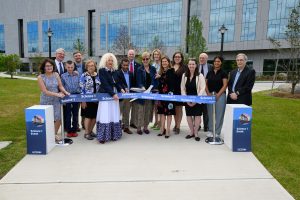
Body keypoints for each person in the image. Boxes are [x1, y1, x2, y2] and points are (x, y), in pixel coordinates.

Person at [37, 58, 70, 143]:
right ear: (44, 67)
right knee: (47, 118)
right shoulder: (40, 77)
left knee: (58, 118)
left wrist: (65, 92)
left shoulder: (56, 74)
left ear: (53, 66)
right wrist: (58, 94)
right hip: (45, 100)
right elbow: (45, 91)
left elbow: (60, 86)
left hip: (56, 100)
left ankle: (53, 134)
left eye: (50, 65)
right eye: (47, 66)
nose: (49, 67)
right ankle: (48, 134)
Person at [96, 53, 124, 144]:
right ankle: (103, 136)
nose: (110, 62)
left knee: (114, 114)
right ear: (105, 61)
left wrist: (122, 89)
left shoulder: (115, 71)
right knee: (105, 114)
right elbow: (105, 84)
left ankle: (114, 134)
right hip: (105, 96)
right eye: (109, 60)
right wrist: (112, 94)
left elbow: (117, 83)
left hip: (114, 97)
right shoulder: (102, 71)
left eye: (112, 60)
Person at [181, 58, 206, 142]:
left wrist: (196, 100)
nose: (191, 66)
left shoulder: (200, 75)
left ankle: (196, 133)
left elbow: (203, 88)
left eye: (193, 64)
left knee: (197, 116)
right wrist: (186, 99)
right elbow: (182, 88)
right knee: (189, 116)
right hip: (187, 99)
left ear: (196, 65)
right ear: (187, 65)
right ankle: (191, 132)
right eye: (190, 64)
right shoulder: (184, 75)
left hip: (197, 99)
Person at [135, 51, 158, 135]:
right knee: (141, 110)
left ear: (149, 59)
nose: (145, 60)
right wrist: (142, 88)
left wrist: (152, 87)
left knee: (148, 110)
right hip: (142, 92)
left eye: (147, 59)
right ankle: (138, 128)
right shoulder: (139, 69)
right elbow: (138, 81)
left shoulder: (153, 69)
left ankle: (145, 127)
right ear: (142, 60)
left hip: (150, 93)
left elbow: (155, 80)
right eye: (143, 59)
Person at [206, 56, 228, 138]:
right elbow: (205, 83)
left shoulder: (223, 72)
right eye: (215, 61)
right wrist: (208, 93)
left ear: (221, 62)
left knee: (219, 114)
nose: (216, 63)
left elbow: (225, 85)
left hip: (220, 95)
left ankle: (217, 131)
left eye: (218, 61)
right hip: (210, 95)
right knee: (210, 113)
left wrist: (218, 95)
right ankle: (211, 130)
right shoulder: (209, 72)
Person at [79, 59, 100, 140]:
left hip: (96, 100)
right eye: (89, 66)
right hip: (87, 99)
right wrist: (83, 100)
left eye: (92, 65)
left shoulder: (97, 75)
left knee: (94, 117)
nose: (91, 67)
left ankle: (91, 131)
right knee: (88, 116)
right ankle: (86, 133)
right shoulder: (83, 76)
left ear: (95, 67)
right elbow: (81, 89)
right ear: (86, 67)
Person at [156, 56, 176, 139]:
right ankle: (162, 129)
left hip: (169, 95)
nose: (164, 63)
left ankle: (168, 130)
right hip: (161, 95)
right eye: (163, 61)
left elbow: (169, 81)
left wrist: (160, 77)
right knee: (162, 113)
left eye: (165, 61)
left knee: (169, 113)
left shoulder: (171, 71)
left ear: (168, 62)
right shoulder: (161, 72)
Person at [61, 60, 81, 138]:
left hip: (76, 96)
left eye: (71, 67)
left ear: (74, 67)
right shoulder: (63, 76)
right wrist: (65, 93)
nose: (70, 68)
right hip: (67, 96)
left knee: (75, 113)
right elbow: (61, 86)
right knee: (68, 114)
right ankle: (69, 130)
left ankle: (74, 129)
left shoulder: (77, 75)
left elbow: (80, 85)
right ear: (65, 67)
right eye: (68, 67)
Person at [117, 58, 134, 134]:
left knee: (127, 112)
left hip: (128, 96)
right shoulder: (117, 73)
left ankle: (126, 127)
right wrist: (122, 88)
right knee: (118, 112)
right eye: (124, 65)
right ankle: (117, 128)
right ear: (121, 65)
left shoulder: (131, 73)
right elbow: (117, 83)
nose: (125, 66)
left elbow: (132, 84)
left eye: (127, 65)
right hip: (120, 96)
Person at [172, 52, 186, 134]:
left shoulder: (185, 67)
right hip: (172, 92)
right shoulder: (171, 66)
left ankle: (178, 126)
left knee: (179, 109)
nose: (177, 58)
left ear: (181, 58)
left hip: (180, 91)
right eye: (175, 56)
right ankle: (176, 124)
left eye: (179, 57)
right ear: (173, 58)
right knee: (173, 109)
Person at [198, 53, 213, 132]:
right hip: (198, 92)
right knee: (197, 110)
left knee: (206, 110)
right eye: (200, 58)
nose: (201, 59)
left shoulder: (211, 67)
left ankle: (206, 126)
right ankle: (198, 125)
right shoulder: (196, 66)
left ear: (207, 59)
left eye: (203, 58)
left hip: (207, 92)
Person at [127, 49, 141, 129]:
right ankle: (125, 123)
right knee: (126, 108)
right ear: (127, 55)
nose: (131, 55)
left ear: (134, 55)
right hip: (126, 91)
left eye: (132, 54)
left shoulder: (138, 65)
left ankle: (133, 122)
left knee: (135, 108)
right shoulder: (123, 64)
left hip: (135, 90)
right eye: (130, 54)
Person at [73, 51, 86, 131]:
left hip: (84, 90)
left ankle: (84, 123)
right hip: (76, 90)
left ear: (81, 56)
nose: (78, 57)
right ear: (74, 58)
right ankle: (76, 125)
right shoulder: (71, 66)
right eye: (76, 56)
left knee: (84, 108)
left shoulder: (85, 65)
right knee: (76, 109)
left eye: (79, 55)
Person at [151, 49, 162, 131]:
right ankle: (156, 122)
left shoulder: (162, 64)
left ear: (160, 55)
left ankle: (160, 123)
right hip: (154, 88)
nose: (156, 56)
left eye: (157, 54)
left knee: (160, 106)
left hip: (161, 88)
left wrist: (160, 76)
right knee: (155, 107)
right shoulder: (153, 64)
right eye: (155, 54)